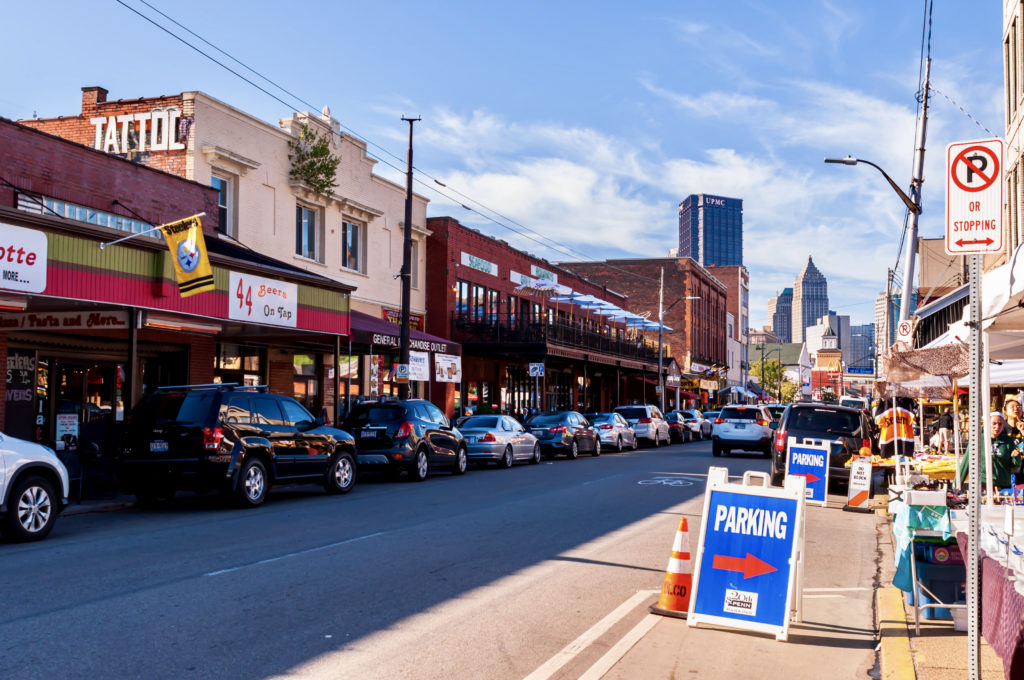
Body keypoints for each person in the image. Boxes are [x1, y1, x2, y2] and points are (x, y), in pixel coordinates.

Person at [957, 411, 1022, 488]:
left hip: (1003, 485)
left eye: (1000, 424)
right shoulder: (977, 440)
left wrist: (1016, 457)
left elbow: (1015, 465)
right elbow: (966, 463)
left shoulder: (1008, 440)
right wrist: (957, 485)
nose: (997, 427)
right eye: (994, 423)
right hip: (982, 484)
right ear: (987, 424)